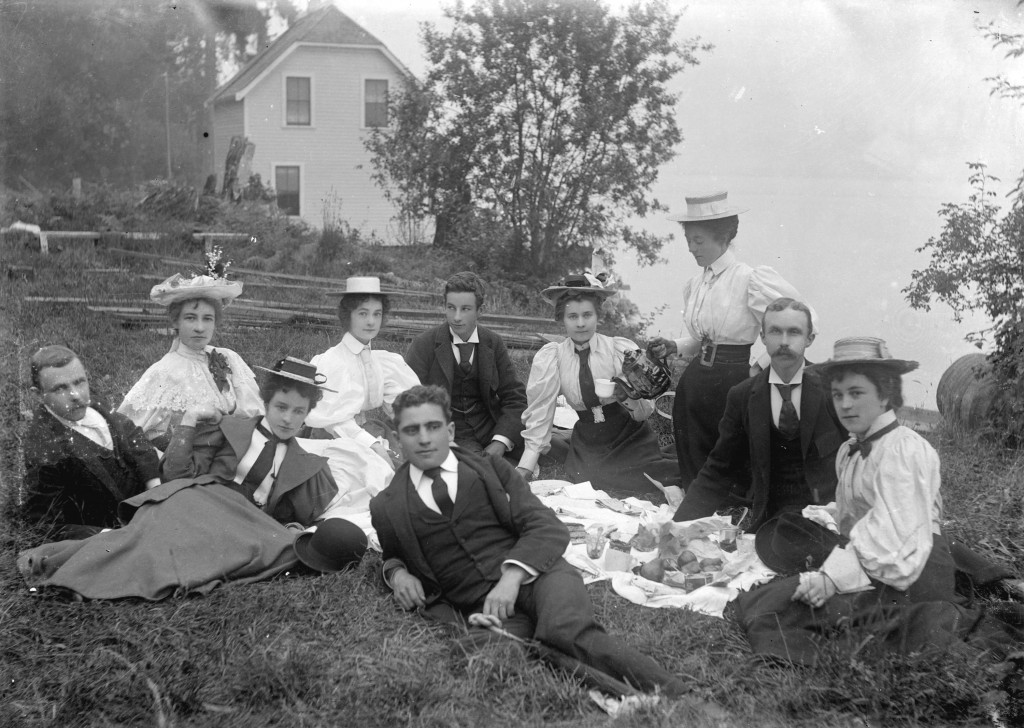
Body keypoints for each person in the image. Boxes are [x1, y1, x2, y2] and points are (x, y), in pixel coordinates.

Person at [369, 385, 692, 697]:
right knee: (484, 660)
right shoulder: (387, 505)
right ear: (397, 438)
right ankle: (525, 645)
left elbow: (546, 525)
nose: (424, 439)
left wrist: (512, 577)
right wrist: (398, 573)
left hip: (538, 576)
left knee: (563, 630)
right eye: (412, 431)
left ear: (450, 431)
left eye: (433, 427)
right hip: (480, 607)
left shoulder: (490, 468)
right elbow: (393, 553)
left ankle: (677, 695)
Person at [735, 338, 1021, 665]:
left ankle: (925, 619)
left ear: (885, 395)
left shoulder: (905, 449)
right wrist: (830, 518)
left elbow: (893, 531)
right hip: (878, 558)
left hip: (913, 570)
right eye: (838, 395)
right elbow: (866, 513)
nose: (845, 405)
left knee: (789, 610)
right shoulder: (852, 450)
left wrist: (831, 578)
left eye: (857, 393)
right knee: (773, 591)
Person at [17, 357, 368, 600]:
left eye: (298, 412)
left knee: (189, 559)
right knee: (144, 541)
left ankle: (73, 577)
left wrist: (291, 528)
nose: (288, 419)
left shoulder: (309, 468)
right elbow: (176, 474)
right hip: (198, 503)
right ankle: (60, 567)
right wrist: (187, 425)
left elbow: (293, 520)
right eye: (280, 407)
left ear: (309, 414)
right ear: (265, 401)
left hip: (243, 528)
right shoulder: (228, 429)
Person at [650, 191, 815, 485]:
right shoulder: (696, 284)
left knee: (728, 453)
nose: (691, 248)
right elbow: (702, 340)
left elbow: (805, 320)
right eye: (688, 240)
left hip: (733, 379)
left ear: (722, 237)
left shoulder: (749, 279)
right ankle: (695, 501)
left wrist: (761, 365)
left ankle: (729, 508)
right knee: (693, 450)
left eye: (698, 240)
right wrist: (674, 346)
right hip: (696, 378)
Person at [673, 298, 845, 530]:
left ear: (810, 339)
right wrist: (676, 529)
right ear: (762, 337)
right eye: (775, 331)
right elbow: (717, 471)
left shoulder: (834, 391)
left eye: (794, 332)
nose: (784, 342)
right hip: (770, 528)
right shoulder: (743, 396)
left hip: (829, 525)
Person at [516, 275, 679, 497]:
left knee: (638, 475)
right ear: (562, 319)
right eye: (572, 316)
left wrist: (627, 396)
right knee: (590, 478)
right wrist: (525, 467)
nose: (580, 323)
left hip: (627, 434)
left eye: (587, 315)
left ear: (597, 316)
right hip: (589, 437)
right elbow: (540, 413)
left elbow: (644, 413)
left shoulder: (618, 350)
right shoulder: (553, 358)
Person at [20, 345, 161, 540]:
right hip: (111, 532)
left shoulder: (94, 407)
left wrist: (154, 487)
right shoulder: (44, 451)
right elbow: (43, 524)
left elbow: (133, 435)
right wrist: (108, 535)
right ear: (38, 395)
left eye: (79, 382)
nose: (76, 395)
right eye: (60, 388)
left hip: (146, 503)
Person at [118, 265, 263, 450]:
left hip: (239, 452)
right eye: (190, 318)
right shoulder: (164, 371)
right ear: (176, 321)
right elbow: (131, 431)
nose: (200, 328)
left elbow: (255, 413)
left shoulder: (230, 358)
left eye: (207, 318)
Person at [404, 271, 527, 460]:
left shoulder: (492, 343)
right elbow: (408, 399)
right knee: (477, 468)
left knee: (545, 447)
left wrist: (501, 440)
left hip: (488, 425)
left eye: (466, 309)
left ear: (480, 310)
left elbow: (514, 397)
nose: (457, 317)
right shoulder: (424, 344)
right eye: (451, 308)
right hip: (449, 430)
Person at [305, 276, 420, 467]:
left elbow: (403, 407)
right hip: (334, 437)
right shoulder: (332, 362)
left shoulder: (383, 361)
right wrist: (374, 446)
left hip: (367, 432)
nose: (371, 322)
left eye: (377, 314)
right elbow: (334, 422)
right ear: (347, 315)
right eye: (363, 314)